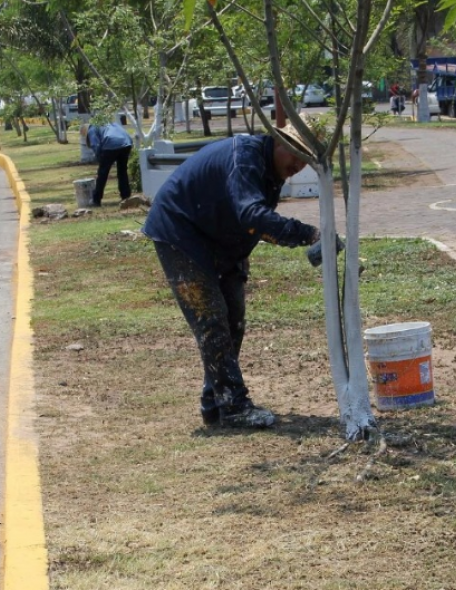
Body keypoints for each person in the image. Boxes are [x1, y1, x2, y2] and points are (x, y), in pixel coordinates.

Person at [142, 124, 321, 429]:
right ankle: (235, 405)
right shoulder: (246, 158)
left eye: (305, 161)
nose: (298, 166)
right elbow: (252, 216)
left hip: (222, 242)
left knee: (233, 321)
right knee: (212, 322)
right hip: (181, 234)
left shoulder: (270, 168)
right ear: (278, 142)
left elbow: (251, 219)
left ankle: (216, 404)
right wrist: (309, 234)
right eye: (295, 155)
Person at [86, 122, 133, 207]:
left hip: (110, 143)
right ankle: (126, 196)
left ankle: (96, 200)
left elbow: (95, 144)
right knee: (122, 172)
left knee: (102, 174)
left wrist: (99, 158)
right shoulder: (110, 123)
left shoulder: (92, 128)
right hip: (126, 142)